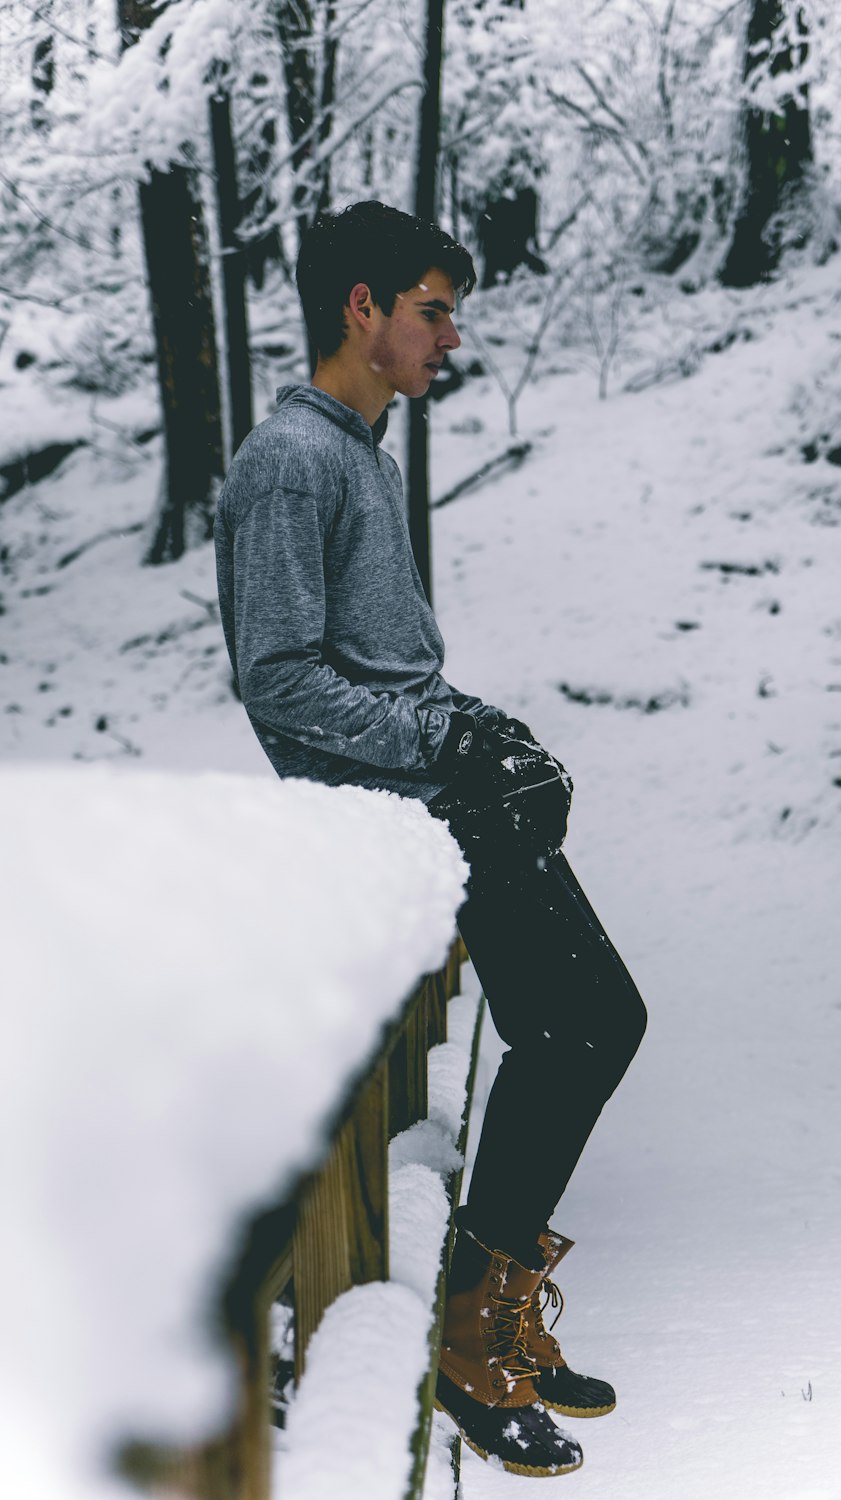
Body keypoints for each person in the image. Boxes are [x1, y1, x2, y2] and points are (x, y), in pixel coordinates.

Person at [214, 200, 646, 1478]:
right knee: (585, 1024)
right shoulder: (291, 463)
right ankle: (474, 1330)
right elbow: (282, 683)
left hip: (431, 793)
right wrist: (449, 751)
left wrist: (481, 724)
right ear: (363, 308)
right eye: (431, 309)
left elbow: (384, 663)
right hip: (395, 817)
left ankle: (488, 1310)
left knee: (588, 1023)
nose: (450, 336)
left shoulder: (359, 450)